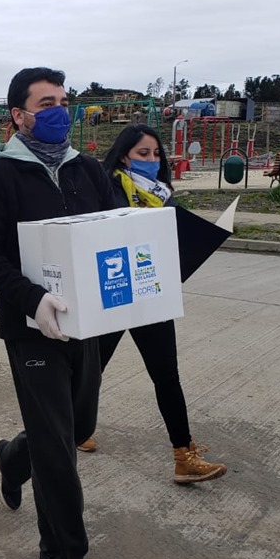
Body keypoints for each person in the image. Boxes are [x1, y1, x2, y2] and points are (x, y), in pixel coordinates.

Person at [0, 67, 116, 559]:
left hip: (83, 321)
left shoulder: (87, 169)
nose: (59, 111)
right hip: (31, 327)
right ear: (19, 115)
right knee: (56, 445)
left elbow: (109, 233)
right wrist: (31, 298)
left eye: (63, 101)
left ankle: (11, 459)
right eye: (46, 103)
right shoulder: (0, 177)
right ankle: (61, 556)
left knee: (77, 425)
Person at [82, 123, 226, 484]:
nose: (152, 160)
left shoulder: (161, 193)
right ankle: (75, 429)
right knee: (91, 372)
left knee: (166, 375)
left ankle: (184, 456)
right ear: (124, 156)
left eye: (156, 154)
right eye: (142, 153)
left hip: (151, 292)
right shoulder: (105, 187)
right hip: (115, 293)